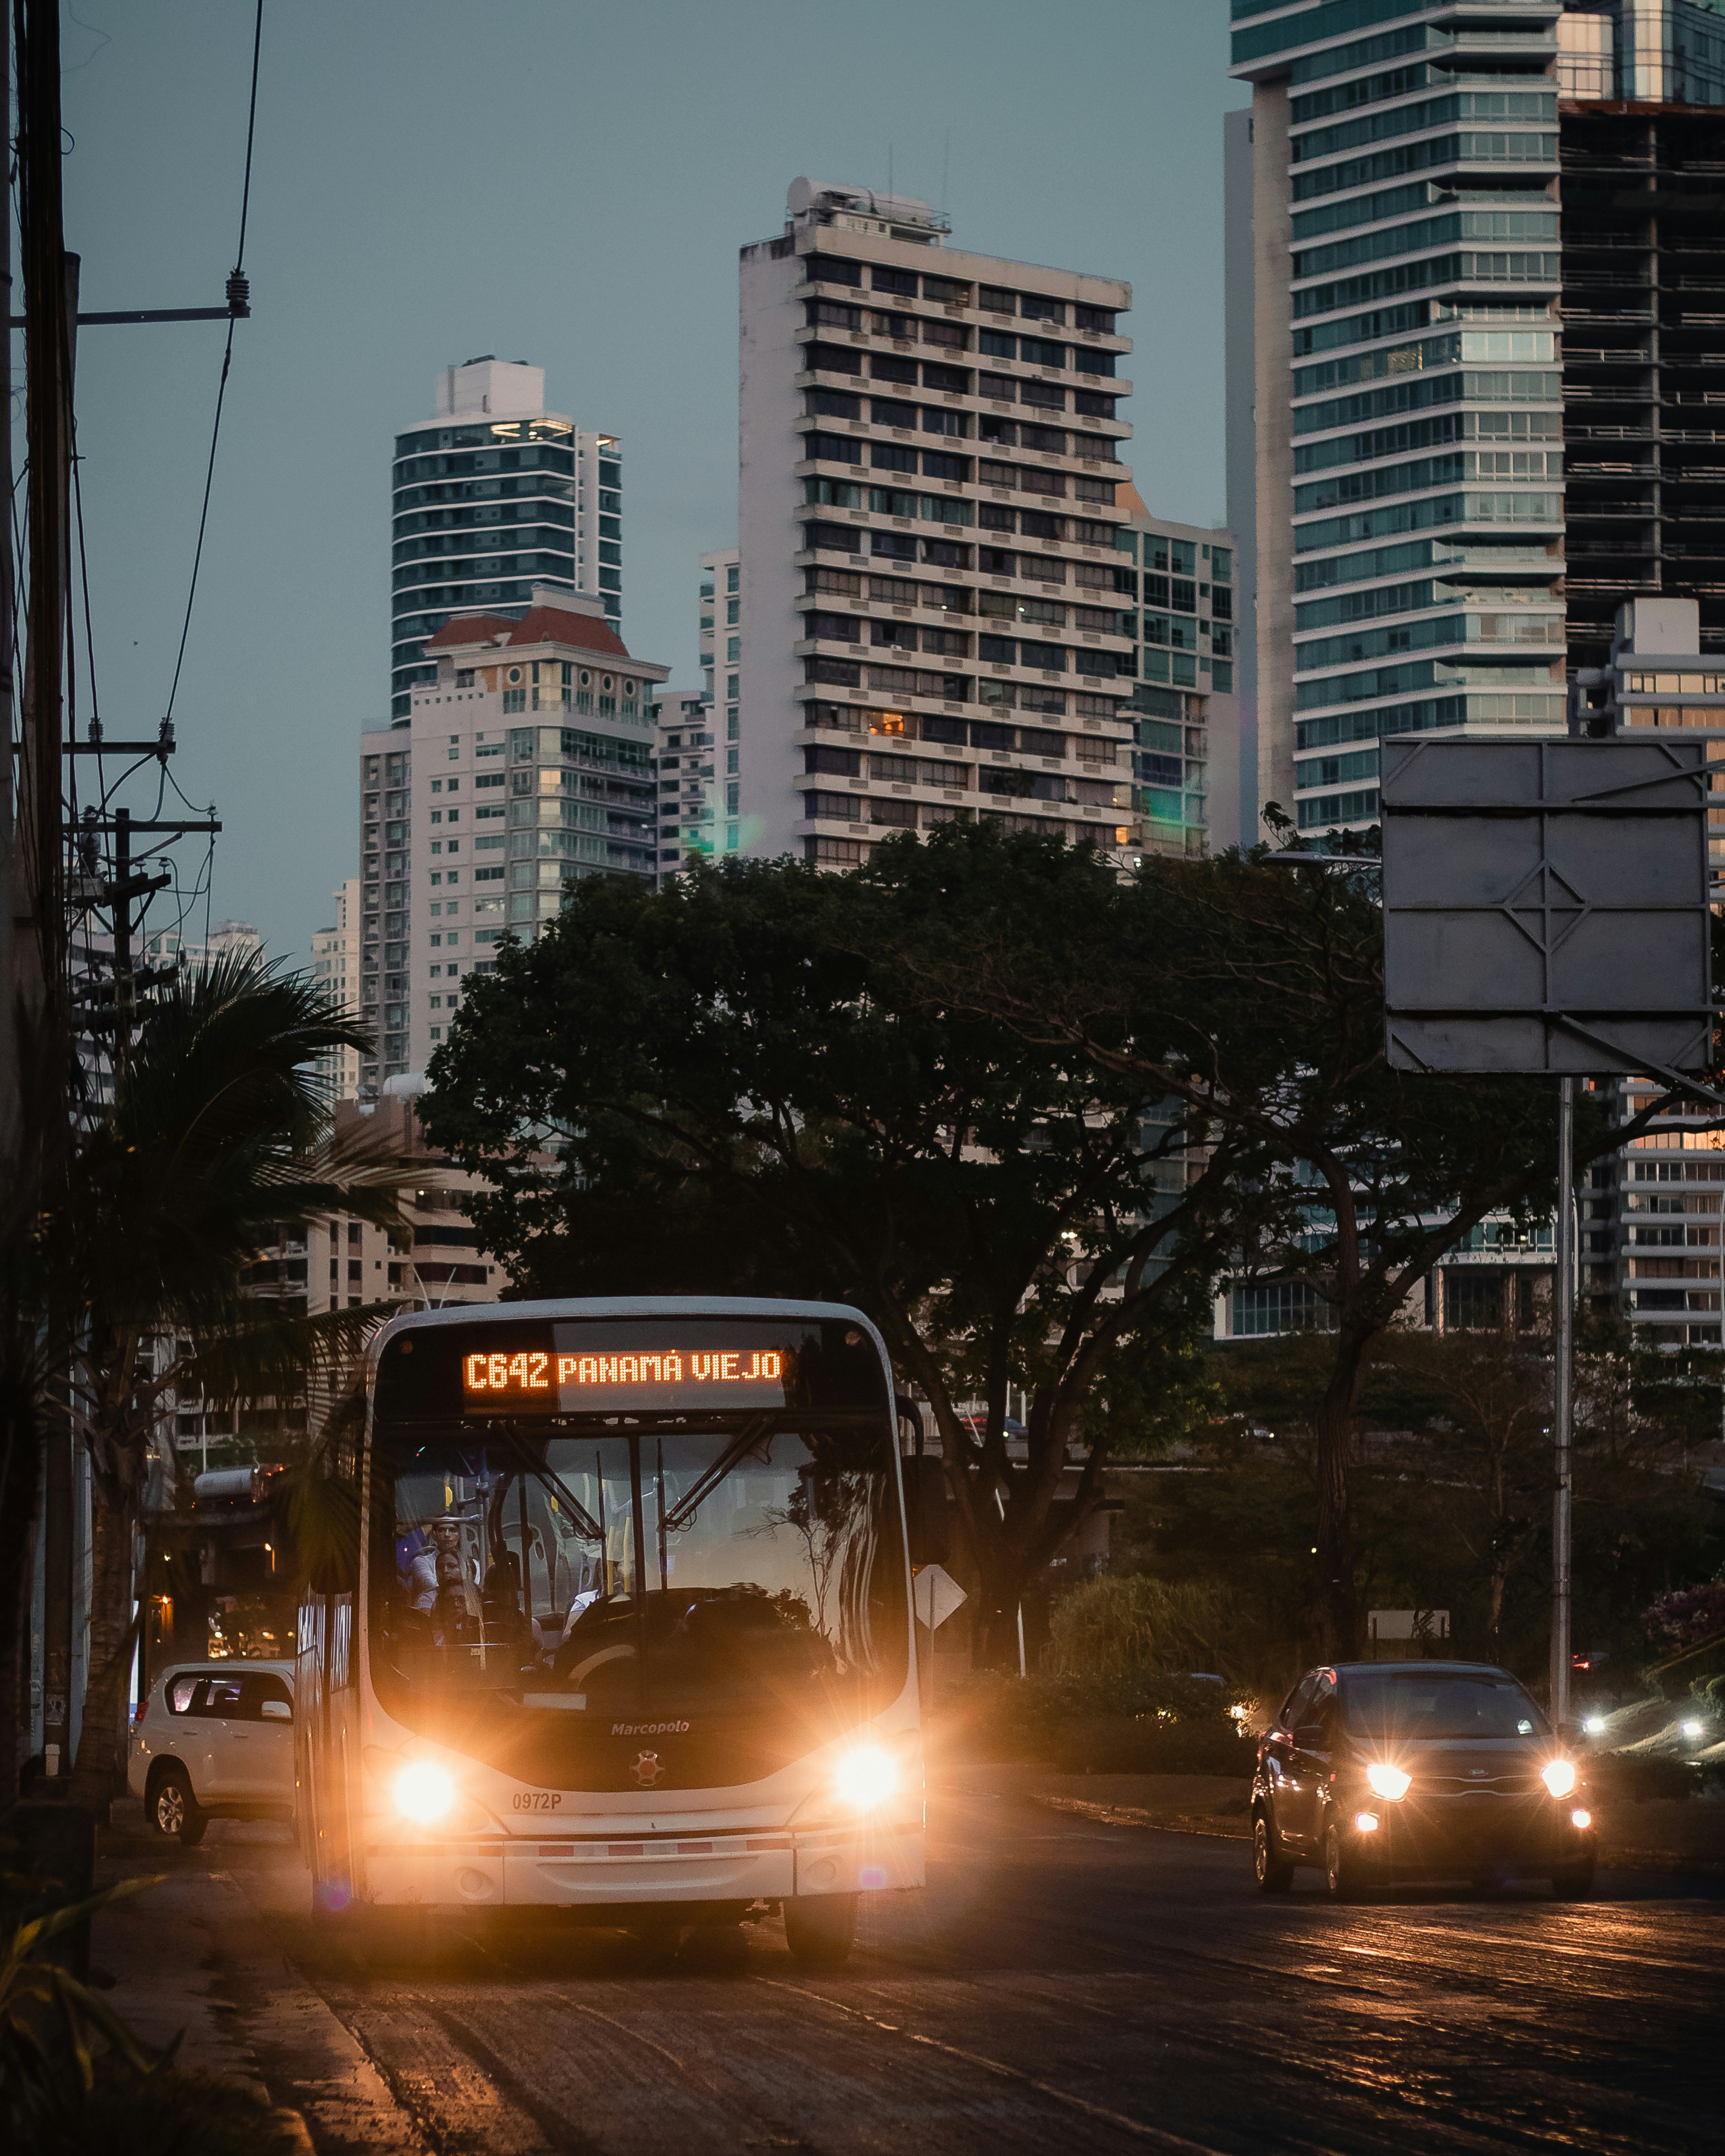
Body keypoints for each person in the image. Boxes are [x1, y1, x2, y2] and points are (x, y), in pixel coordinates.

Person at [408, 1514, 476, 1613]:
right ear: (434, 1535)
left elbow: (475, 1590)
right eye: (442, 1530)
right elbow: (431, 1586)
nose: (447, 1535)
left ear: (460, 1534)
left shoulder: (474, 1565)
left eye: (453, 1530)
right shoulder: (421, 1562)